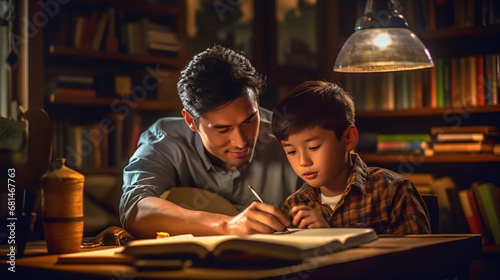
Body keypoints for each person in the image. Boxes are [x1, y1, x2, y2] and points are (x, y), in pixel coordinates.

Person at [120, 45, 301, 238]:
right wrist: (227, 225)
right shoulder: (166, 140)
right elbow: (135, 210)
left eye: (249, 120)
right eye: (222, 129)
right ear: (191, 121)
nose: (240, 142)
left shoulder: (291, 137)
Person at [271, 81, 430, 234]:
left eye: (314, 147)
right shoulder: (293, 206)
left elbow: (417, 260)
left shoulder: (393, 192)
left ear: (348, 139)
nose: (303, 162)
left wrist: (330, 237)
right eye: (291, 152)